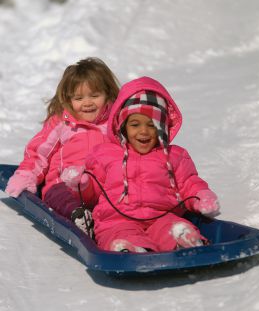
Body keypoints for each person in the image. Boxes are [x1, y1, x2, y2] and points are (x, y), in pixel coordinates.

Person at [65, 76, 220, 253]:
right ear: (123, 126)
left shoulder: (174, 155)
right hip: (117, 220)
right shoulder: (105, 154)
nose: (143, 131)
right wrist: (82, 184)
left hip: (161, 217)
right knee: (119, 233)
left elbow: (189, 183)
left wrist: (202, 196)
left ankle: (183, 240)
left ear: (161, 128)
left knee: (173, 226)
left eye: (151, 125)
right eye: (135, 124)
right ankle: (131, 249)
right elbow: (93, 192)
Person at [6, 57, 120, 227]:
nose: (87, 103)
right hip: (63, 185)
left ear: (108, 94)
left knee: (118, 202)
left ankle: (113, 227)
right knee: (59, 195)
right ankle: (79, 217)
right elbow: (39, 153)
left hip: (102, 190)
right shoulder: (62, 123)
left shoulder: (115, 123)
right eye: (79, 98)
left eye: (95, 96)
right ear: (68, 99)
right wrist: (26, 176)